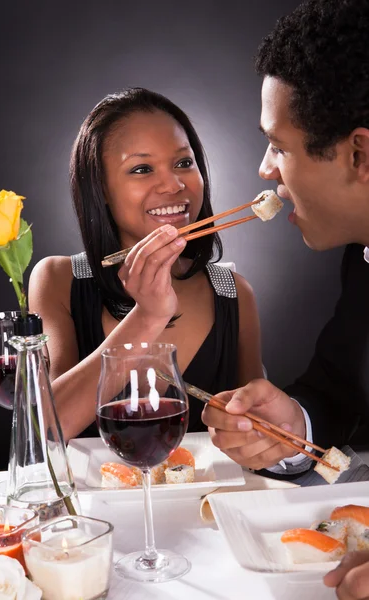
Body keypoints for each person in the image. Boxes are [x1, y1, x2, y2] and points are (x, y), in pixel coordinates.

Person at [201, 0, 369, 596]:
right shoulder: (363, 256)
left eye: (280, 145)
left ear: (359, 155)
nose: (266, 169)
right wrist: (289, 429)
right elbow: (339, 394)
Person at [29, 87, 263, 442]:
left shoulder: (234, 292)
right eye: (141, 169)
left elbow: (261, 437)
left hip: (212, 499)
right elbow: (47, 428)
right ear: (101, 188)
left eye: (184, 163)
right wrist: (147, 317)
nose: (174, 184)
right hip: (98, 498)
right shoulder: (59, 279)